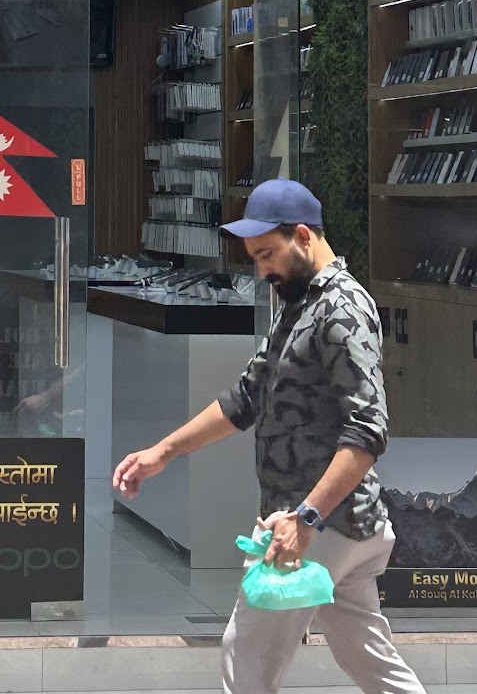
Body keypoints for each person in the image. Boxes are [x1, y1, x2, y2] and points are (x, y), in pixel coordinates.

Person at [113, 178, 427, 694]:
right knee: (369, 659)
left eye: (266, 255)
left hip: (316, 524)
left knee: (247, 658)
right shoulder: (299, 302)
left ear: (302, 236)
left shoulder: (342, 309)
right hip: (336, 524)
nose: (261, 271)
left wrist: (306, 518)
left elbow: (368, 432)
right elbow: (247, 397)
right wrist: (163, 452)